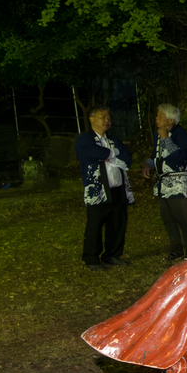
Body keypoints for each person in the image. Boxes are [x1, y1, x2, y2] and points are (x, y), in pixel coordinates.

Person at [75, 107, 133, 270]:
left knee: (117, 222)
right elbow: (93, 153)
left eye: (109, 117)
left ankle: (112, 255)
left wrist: (110, 153)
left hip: (117, 188)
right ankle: (91, 258)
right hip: (98, 189)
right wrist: (112, 153)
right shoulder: (85, 139)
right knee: (95, 223)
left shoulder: (113, 139)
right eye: (103, 117)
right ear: (91, 119)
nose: (107, 120)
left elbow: (127, 155)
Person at [142, 104, 187, 261]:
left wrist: (166, 138)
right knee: (167, 217)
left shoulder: (180, 134)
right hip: (162, 183)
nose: (156, 118)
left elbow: (179, 157)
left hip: (177, 182)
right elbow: (156, 156)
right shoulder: (157, 135)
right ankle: (176, 248)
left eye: (160, 116)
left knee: (181, 216)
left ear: (171, 119)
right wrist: (148, 165)